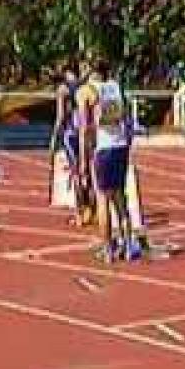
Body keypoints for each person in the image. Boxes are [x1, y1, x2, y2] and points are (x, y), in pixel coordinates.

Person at [77, 56, 140, 263]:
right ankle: (128, 244)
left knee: (102, 198)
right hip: (120, 145)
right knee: (121, 197)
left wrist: (84, 159)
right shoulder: (116, 87)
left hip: (102, 148)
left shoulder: (86, 91)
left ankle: (108, 248)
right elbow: (128, 119)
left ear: (89, 69)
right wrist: (128, 142)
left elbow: (85, 128)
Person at [48, 60, 94, 226]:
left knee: (76, 174)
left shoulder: (63, 89)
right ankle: (91, 209)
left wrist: (54, 138)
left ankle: (80, 213)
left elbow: (60, 117)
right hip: (86, 132)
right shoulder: (84, 86)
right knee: (88, 170)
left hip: (71, 133)